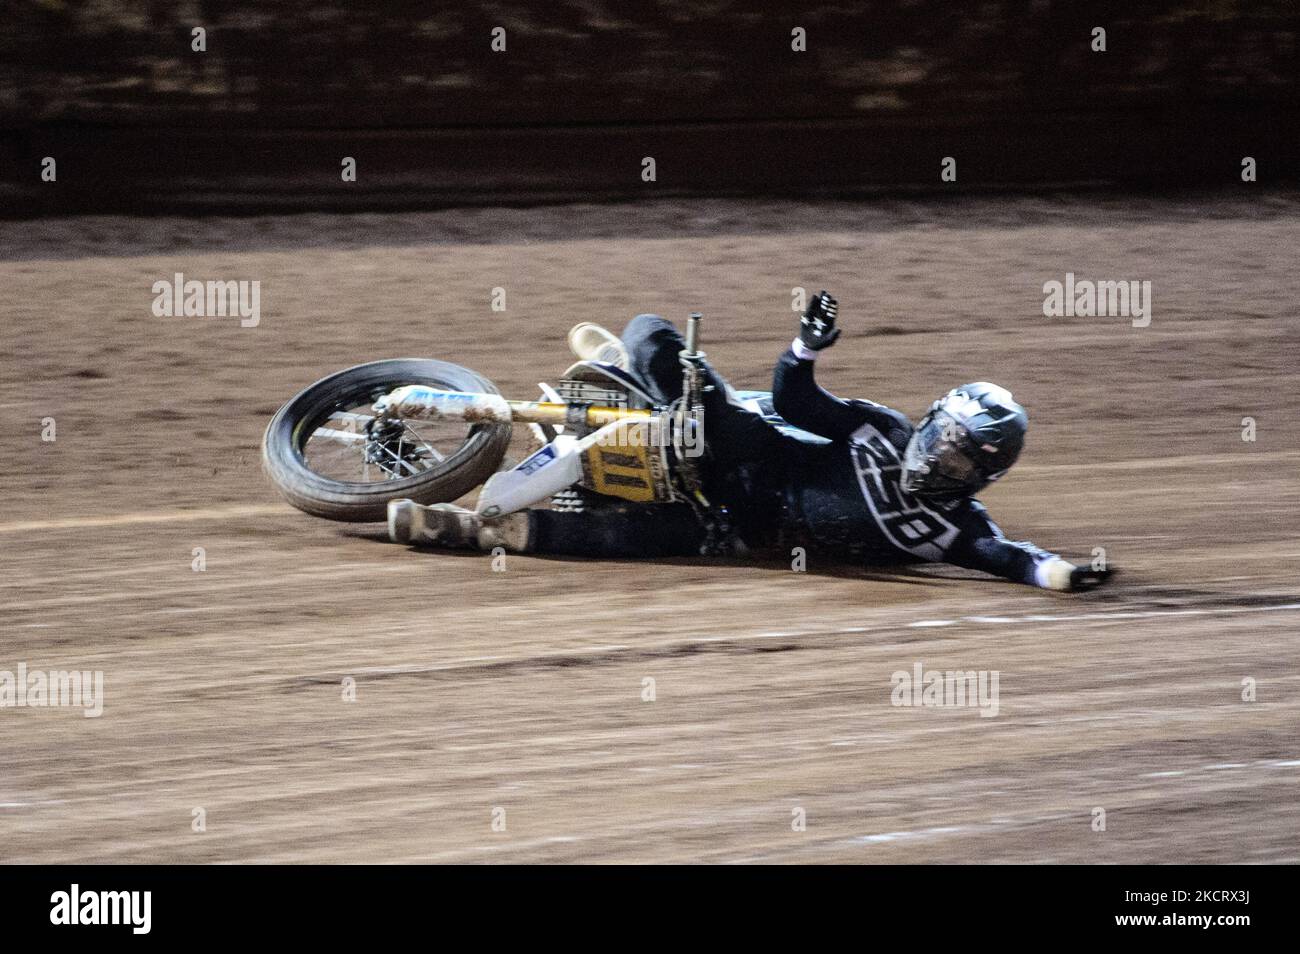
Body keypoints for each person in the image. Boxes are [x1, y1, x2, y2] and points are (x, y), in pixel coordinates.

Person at [388, 292, 1114, 591]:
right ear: (930, 419)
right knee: (652, 331)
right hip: (742, 447)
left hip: (739, 530)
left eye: (960, 456)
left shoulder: (956, 528)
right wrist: (806, 345)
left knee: (625, 542)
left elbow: (1012, 558)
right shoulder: (883, 431)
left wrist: (1064, 576)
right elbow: (801, 401)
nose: (941, 455)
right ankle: (625, 360)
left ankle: (465, 530)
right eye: (943, 437)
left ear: (980, 476)